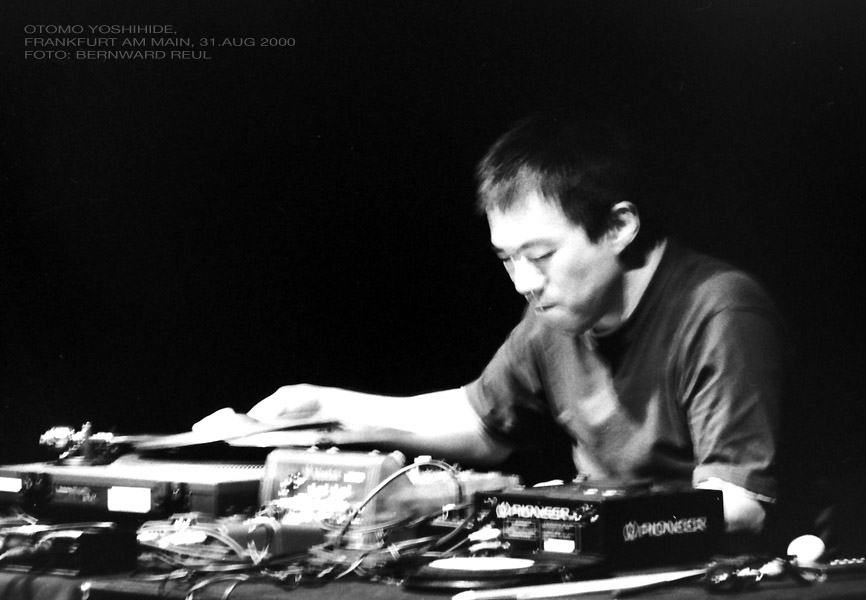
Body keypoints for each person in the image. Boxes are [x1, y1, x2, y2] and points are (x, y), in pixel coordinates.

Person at [242, 112, 786, 540]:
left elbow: (739, 505)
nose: (524, 282)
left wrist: (566, 518)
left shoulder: (720, 310)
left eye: (541, 255)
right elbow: (481, 420)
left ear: (619, 226)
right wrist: (327, 408)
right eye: (507, 259)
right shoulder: (554, 317)